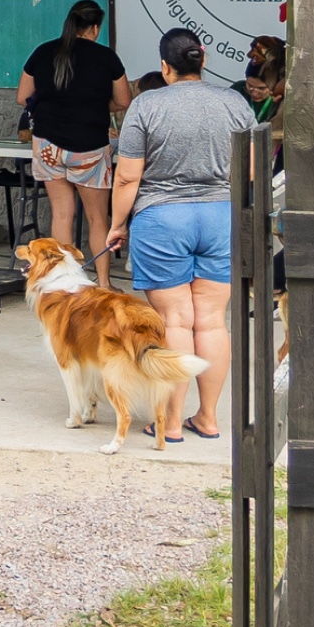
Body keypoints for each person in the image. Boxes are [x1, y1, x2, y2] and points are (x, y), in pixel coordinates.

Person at [109, 28, 255, 441]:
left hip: (163, 219)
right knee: (211, 322)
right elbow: (250, 170)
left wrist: (118, 225)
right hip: (221, 217)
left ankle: (170, 423)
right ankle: (207, 417)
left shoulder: (146, 105)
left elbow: (128, 177)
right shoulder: (234, 102)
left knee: (175, 320)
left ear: (165, 66)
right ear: (202, 61)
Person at [17, 0, 133, 290]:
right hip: (89, 148)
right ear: (95, 28)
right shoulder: (106, 58)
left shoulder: (42, 52)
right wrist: (94, 105)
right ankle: (104, 283)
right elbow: (123, 101)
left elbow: (22, 96)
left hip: (47, 146)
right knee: (96, 219)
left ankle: (63, 284)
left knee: (61, 214)